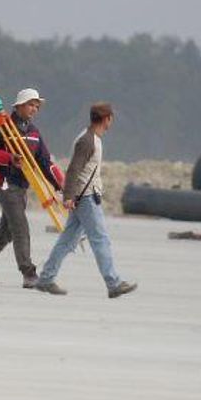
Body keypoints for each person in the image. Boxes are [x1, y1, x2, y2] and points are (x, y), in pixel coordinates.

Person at [35, 102, 137, 298]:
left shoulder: (92, 138)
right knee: (101, 240)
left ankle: (46, 278)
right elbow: (74, 170)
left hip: (84, 197)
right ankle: (113, 283)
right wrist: (68, 197)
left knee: (67, 241)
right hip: (86, 198)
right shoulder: (87, 141)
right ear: (107, 119)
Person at [0, 87, 65, 289]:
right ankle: (29, 274)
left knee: (7, 230)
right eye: (31, 104)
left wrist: (60, 184)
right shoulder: (2, 126)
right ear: (19, 106)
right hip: (4, 184)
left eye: (37, 106)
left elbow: (45, 162)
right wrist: (9, 159)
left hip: (21, 187)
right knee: (20, 227)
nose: (34, 109)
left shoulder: (34, 132)